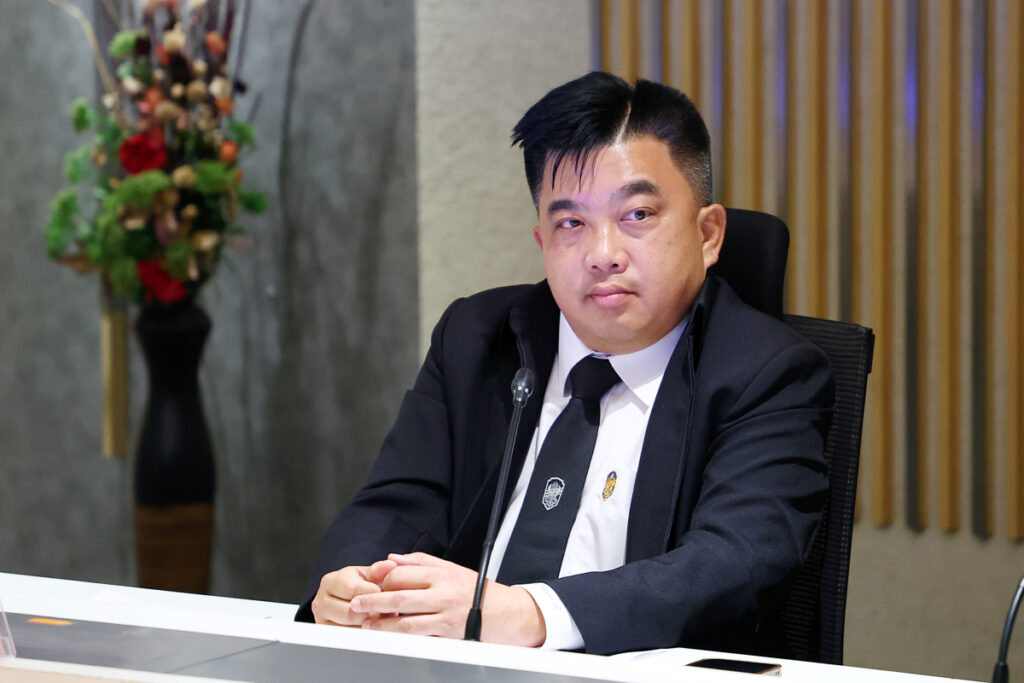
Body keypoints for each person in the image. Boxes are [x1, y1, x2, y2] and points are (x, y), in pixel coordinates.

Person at [296, 71, 833, 657]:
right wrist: (352, 586)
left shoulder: (769, 374)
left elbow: (731, 565)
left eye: (637, 215)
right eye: (571, 223)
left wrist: (530, 615)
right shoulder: (477, 338)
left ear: (708, 234)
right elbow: (397, 504)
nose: (603, 255)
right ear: (543, 242)